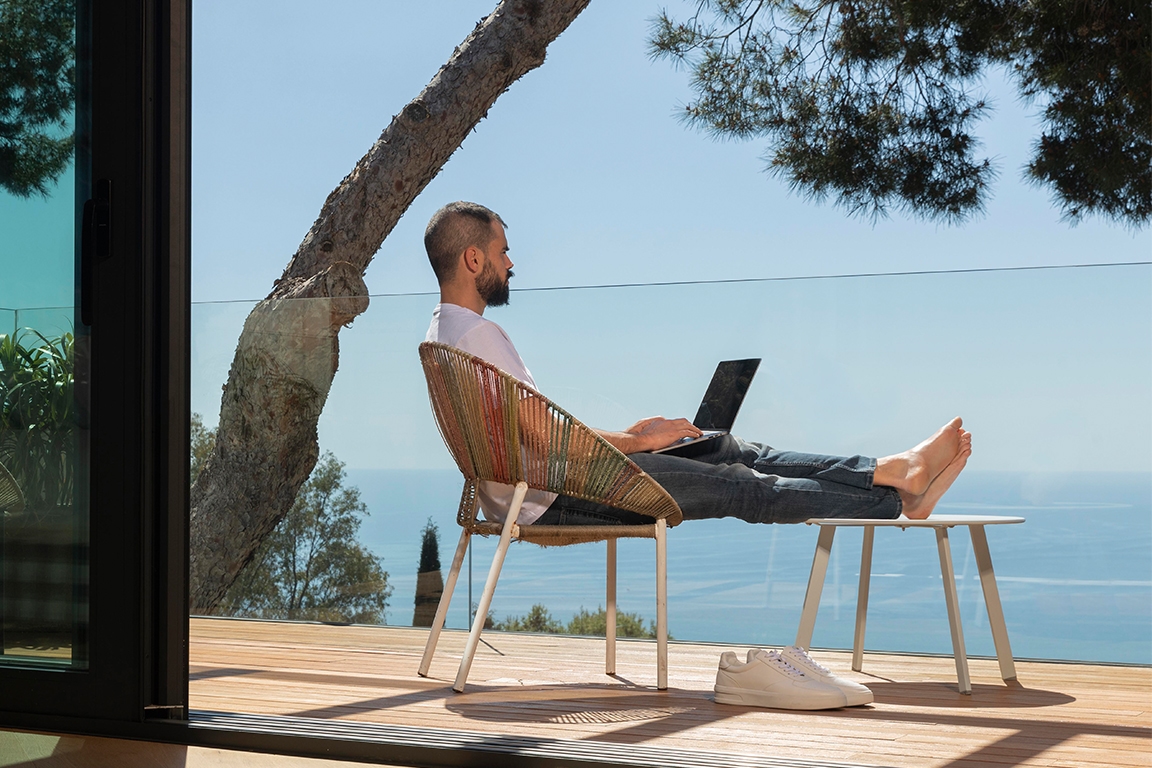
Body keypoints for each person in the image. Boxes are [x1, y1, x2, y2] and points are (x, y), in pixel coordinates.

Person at [424, 201, 972, 529]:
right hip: (551, 495)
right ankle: (893, 497)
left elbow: (532, 431)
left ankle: (891, 473)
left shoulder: (444, 335)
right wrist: (639, 443)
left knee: (727, 448)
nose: (510, 262)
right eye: (501, 251)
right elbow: (543, 434)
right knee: (741, 484)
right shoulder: (479, 337)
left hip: (537, 484)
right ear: (474, 259)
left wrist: (635, 432)